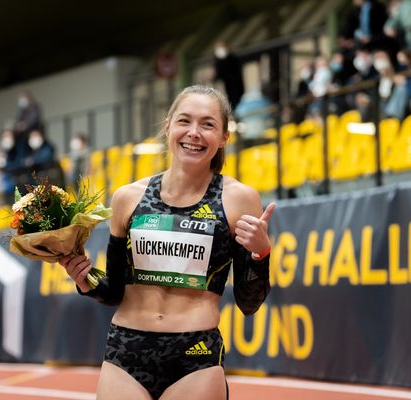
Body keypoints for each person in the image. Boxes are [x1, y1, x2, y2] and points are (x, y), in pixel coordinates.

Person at [59, 85, 274, 400]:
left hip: (195, 356)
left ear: (225, 137)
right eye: (185, 121)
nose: (194, 133)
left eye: (208, 124)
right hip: (126, 351)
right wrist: (85, 279)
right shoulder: (127, 198)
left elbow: (248, 302)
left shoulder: (239, 199)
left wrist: (260, 253)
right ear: (168, 126)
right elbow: (114, 291)